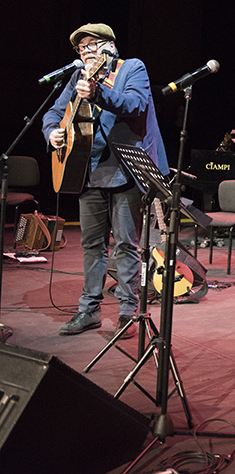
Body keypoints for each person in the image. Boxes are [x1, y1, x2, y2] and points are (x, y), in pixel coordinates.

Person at [42, 23, 169, 339]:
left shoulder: (131, 68)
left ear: (109, 45)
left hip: (125, 170)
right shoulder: (76, 77)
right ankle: (89, 310)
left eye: (91, 44)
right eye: (81, 47)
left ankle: (128, 311)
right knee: (91, 245)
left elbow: (135, 104)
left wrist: (99, 92)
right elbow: (52, 114)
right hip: (86, 171)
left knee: (126, 244)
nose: (85, 51)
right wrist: (52, 133)